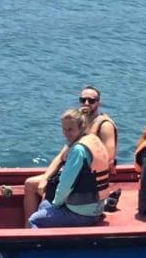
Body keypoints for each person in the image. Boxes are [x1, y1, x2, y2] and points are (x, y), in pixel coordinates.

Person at [23, 86, 117, 216]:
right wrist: (46, 178)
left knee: (49, 191)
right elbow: (61, 157)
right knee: (32, 184)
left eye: (91, 100)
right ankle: (29, 229)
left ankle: (39, 226)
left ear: (99, 103)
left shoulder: (104, 126)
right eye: (83, 100)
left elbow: (108, 160)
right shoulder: (76, 124)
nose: (86, 103)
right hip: (73, 172)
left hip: (89, 182)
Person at [28, 108, 111, 228]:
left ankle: (39, 245)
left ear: (82, 126)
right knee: (44, 205)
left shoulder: (78, 150)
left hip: (82, 214)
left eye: (70, 129)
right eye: (64, 129)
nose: (66, 133)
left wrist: (56, 204)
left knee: (34, 220)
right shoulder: (93, 140)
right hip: (96, 208)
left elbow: (66, 185)